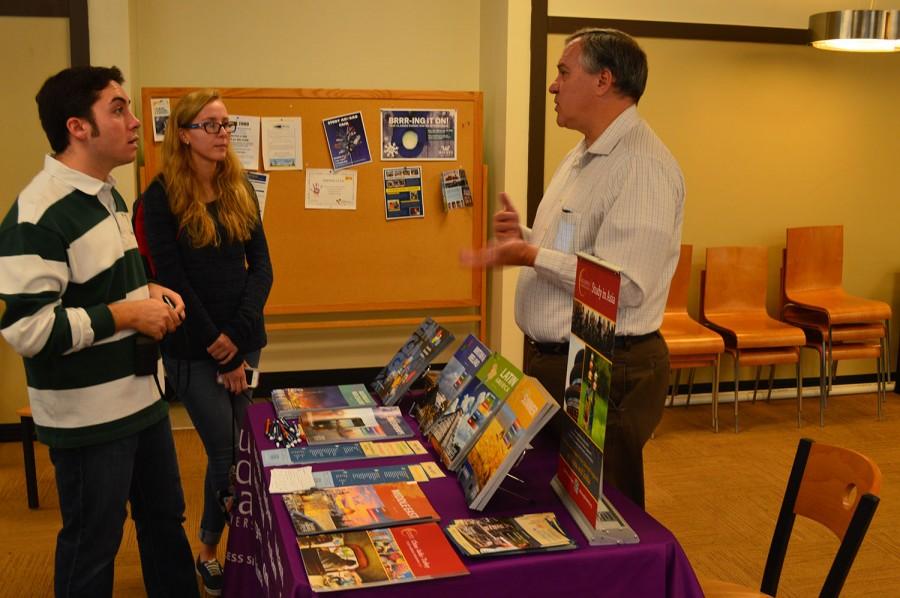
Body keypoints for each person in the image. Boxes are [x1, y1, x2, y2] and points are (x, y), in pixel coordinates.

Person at [463, 28, 684, 509]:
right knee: (559, 505)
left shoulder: (642, 166)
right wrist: (523, 240)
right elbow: (576, 250)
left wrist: (532, 256)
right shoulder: (583, 156)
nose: (553, 86)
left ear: (604, 80)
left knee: (605, 513)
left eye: (564, 72)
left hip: (606, 365)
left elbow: (624, 286)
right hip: (560, 363)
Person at [0, 66, 197, 597]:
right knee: (93, 546)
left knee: (164, 522)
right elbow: (28, 328)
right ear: (77, 127)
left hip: (142, 401)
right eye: (118, 109)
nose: (135, 122)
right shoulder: (36, 214)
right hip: (89, 422)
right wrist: (128, 315)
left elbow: (99, 287)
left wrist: (145, 293)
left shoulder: (107, 195)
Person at [142, 90, 273, 595]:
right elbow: (172, 280)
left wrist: (237, 342)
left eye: (226, 125)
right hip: (193, 351)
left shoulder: (240, 186)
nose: (222, 134)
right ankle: (245, 557)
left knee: (242, 448)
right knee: (229, 456)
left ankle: (207, 548)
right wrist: (219, 345)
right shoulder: (160, 196)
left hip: (245, 343)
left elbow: (262, 267)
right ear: (184, 134)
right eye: (211, 125)